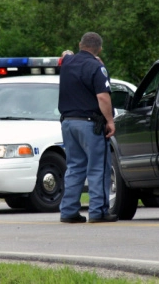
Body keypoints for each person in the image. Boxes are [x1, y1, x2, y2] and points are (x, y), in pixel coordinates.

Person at [58, 32, 117, 223]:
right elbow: (102, 97)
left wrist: (68, 53)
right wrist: (110, 121)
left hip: (68, 123)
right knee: (98, 167)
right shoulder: (96, 67)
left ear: (80, 44)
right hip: (90, 124)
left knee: (74, 167)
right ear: (99, 48)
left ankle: (68, 211)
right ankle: (98, 211)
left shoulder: (67, 63)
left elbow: (65, 55)